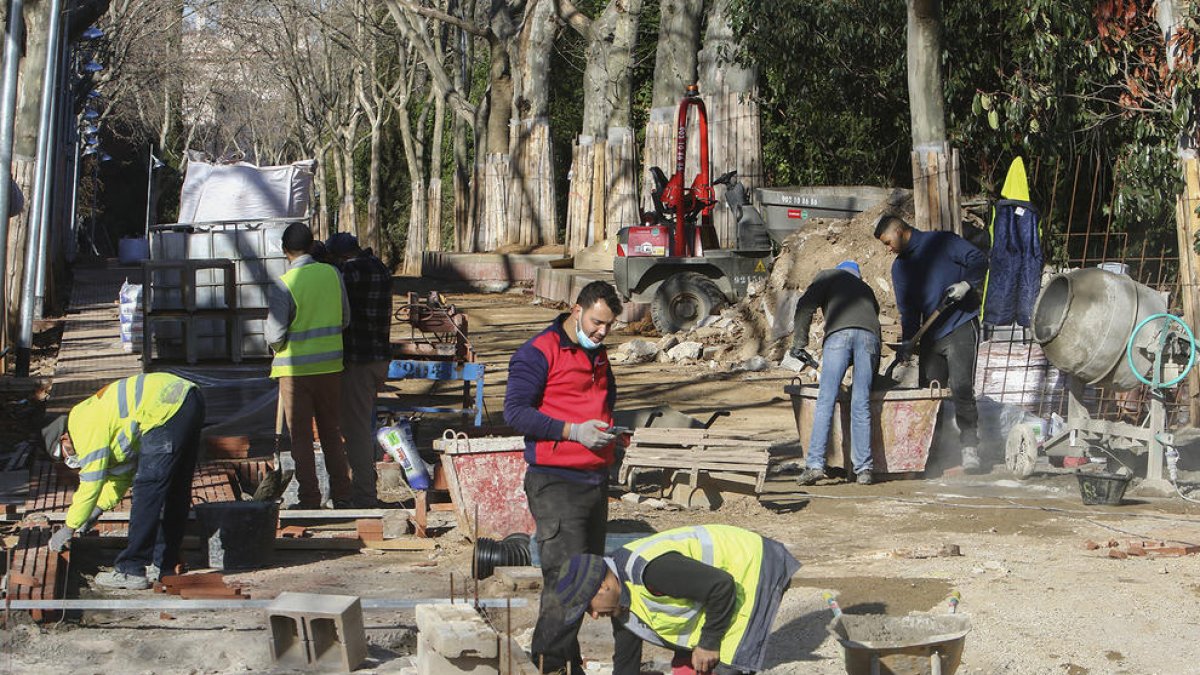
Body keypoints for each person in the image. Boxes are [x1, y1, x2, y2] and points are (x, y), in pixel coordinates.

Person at [504, 280, 624, 673]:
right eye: (596, 322)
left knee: (585, 580)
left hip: (593, 481)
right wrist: (573, 431)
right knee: (565, 584)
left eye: (608, 325)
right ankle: (550, 666)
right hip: (556, 482)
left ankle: (566, 665)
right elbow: (515, 412)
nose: (601, 331)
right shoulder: (538, 352)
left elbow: (606, 403)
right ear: (577, 309)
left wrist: (611, 439)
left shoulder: (599, 354)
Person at [546, 525, 801, 675]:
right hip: (713, 585)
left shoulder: (650, 572)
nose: (593, 616)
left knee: (728, 664)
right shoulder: (619, 599)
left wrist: (709, 643)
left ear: (603, 585)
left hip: (752, 567)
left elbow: (722, 587)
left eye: (589, 607)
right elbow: (626, 659)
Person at [42, 373, 204, 590]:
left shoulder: (81, 423)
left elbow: (92, 481)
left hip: (164, 407)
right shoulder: (103, 424)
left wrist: (70, 526)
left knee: (147, 489)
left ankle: (131, 569)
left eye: (65, 453)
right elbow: (119, 478)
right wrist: (97, 510)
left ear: (64, 438)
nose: (69, 458)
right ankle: (165, 564)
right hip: (188, 399)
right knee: (175, 489)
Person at [874, 215, 988, 471]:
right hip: (931, 335)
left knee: (961, 387)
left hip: (960, 324)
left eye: (888, 242)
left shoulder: (943, 242)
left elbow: (979, 259)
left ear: (901, 231)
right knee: (930, 393)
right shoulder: (900, 268)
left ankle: (969, 447)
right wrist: (908, 342)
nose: (888, 248)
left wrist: (967, 283)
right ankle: (932, 451)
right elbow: (909, 311)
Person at [266, 221, 354, 508]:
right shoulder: (332, 274)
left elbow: (274, 335)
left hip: (295, 372)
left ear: (284, 250)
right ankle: (342, 494)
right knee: (331, 431)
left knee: (301, 438)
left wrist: (281, 347)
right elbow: (344, 320)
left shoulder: (284, 284)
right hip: (330, 368)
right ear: (312, 244)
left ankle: (309, 498)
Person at [790, 260, 881, 485]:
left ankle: (815, 465)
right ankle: (864, 469)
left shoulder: (828, 275)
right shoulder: (866, 289)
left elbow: (805, 305)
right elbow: (872, 323)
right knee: (861, 402)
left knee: (826, 400)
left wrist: (799, 342)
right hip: (870, 338)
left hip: (838, 337)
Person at [326, 232, 393, 508]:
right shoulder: (378, 266)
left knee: (355, 430)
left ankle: (364, 495)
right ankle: (361, 490)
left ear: (341, 256)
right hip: (377, 358)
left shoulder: (350, 273)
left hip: (359, 361)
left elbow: (338, 286)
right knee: (362, 423)